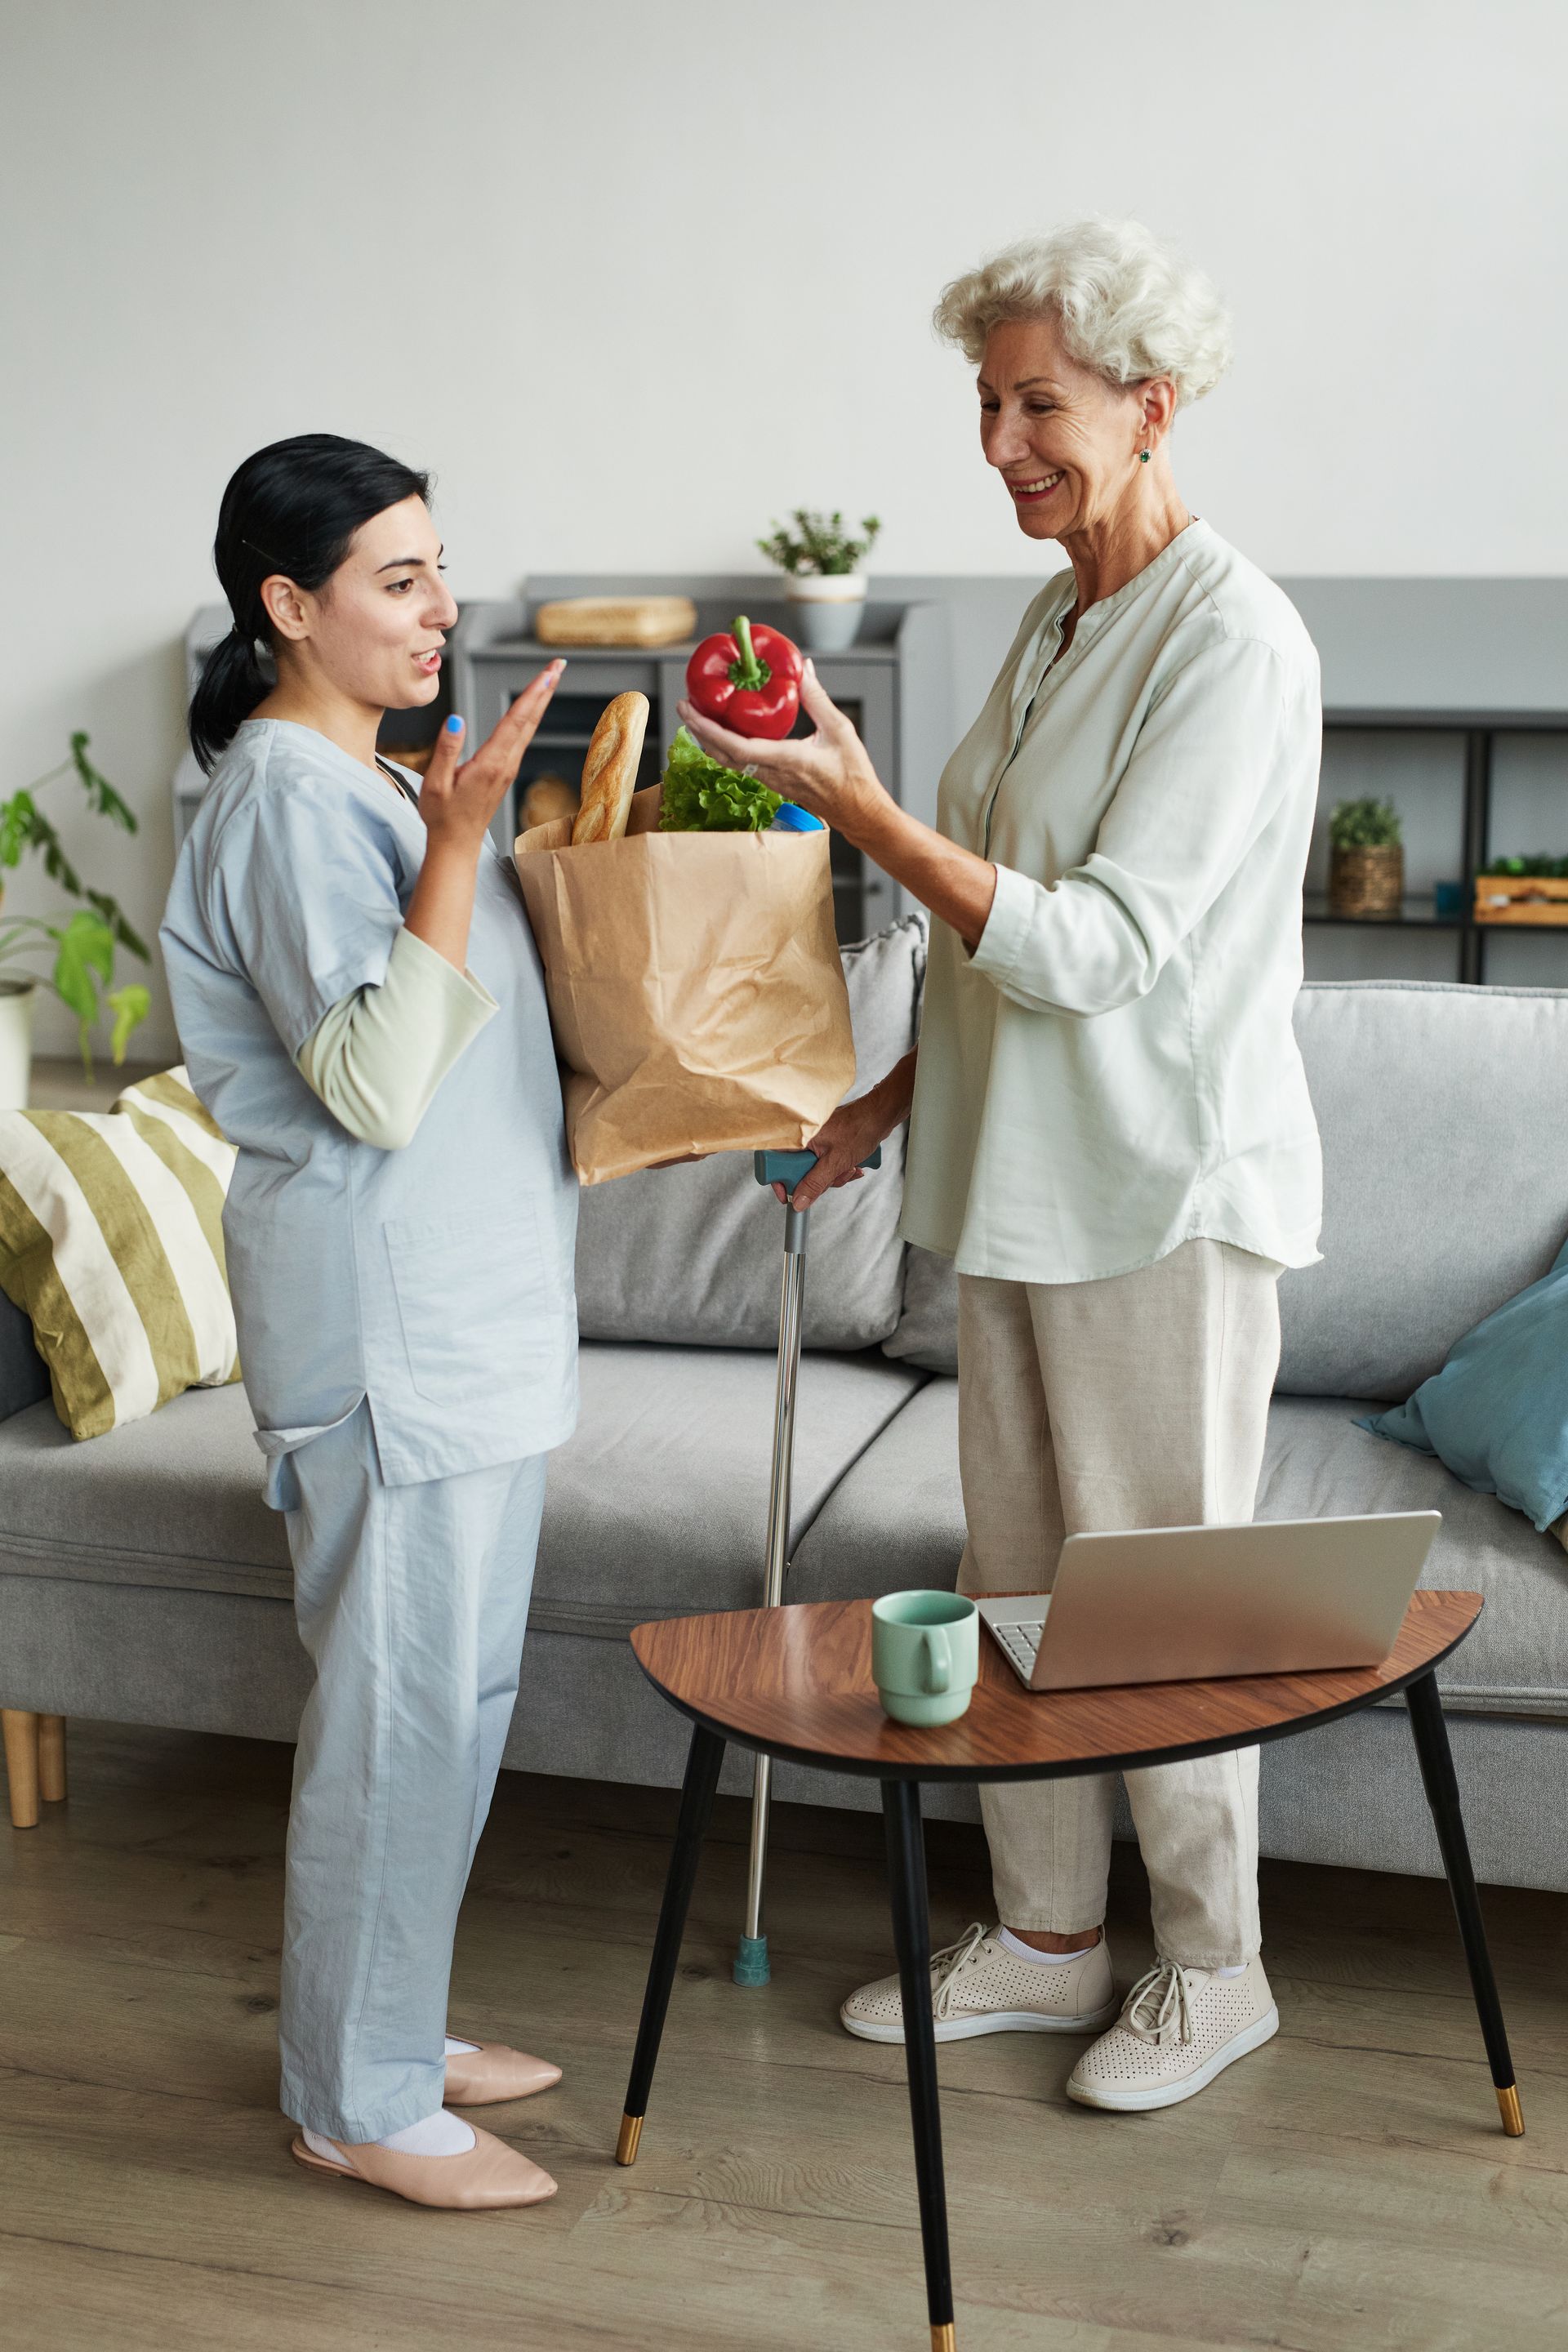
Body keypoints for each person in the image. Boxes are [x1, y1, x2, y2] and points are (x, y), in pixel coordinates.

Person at [679, 219, 1324, 2113]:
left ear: (1151, 404)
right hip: (1019, 1191)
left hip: (1160, 1195)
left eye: (1039, 402)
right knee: (1023, 1581)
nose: (1002, 441)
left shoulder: (1233, 639)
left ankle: (1218, 1971)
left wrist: (861, 805)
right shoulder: (1057, 616)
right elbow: (985, 938)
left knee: (1168, 1601)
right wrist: (882, 1110)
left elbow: (1107, 943)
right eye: (986, 401)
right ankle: (1047, 1938)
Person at [162, 434, 578, 2206]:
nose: (440, 606)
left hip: (472, 1325)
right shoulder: (277, 801)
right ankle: (354, 2094)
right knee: (396, 1709)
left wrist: (458, 836)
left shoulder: (370, 790)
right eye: (396, 579)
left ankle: (392, 2022)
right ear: (288, 606)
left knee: (457, 1699)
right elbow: (368, 1083)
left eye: (437, 569)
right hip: (386, 1340)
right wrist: (460, 838)